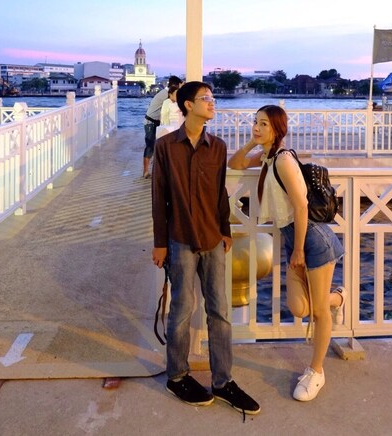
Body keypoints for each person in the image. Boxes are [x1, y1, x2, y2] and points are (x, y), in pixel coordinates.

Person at [151, 81, 260, 416]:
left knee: (220, 311)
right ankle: (177, 376)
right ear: (187, 105)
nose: (213, 103)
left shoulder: (217, 146)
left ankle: (223, 380)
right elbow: (159, 196)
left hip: (213, 239)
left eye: (213, 98)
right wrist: (160, 242)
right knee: (181, 309)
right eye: (206, 99)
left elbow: (218, 195)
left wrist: (225, 231)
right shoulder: (166, 146)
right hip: (181, 238)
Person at [228, 105, 346, 402]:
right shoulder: (267, 156)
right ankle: (339, 298)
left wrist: (297, 251)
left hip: (313, 242)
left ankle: (316, 372)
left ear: (277, 129)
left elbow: (302, 206)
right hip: (296, 240)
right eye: (255, 122)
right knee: (298, 308)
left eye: (264, 124)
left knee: (318, 313)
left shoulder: (282, 160)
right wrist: (254, 141)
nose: (257, 127)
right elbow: (236, 162)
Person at [144, 76, 182, 178]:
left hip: (156, 122)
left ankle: (156, 169)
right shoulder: (166, 95)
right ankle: (146, 171)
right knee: (150, 146)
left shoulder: (167, 94)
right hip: (150, 122)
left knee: (157, 147)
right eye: (178, 87)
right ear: (174, 86)